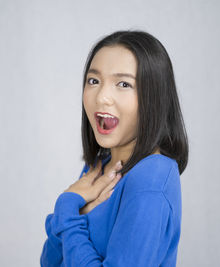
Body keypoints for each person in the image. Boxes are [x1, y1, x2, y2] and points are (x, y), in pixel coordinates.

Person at [40, 30, 189, 266]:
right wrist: (69, 216)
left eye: (123, 84)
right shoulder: (102, 164)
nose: (102, 97)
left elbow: (65, 232)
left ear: (154, 97)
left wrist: (67, 206)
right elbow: (50, 263)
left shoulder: (151, 178)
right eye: (94, 81)